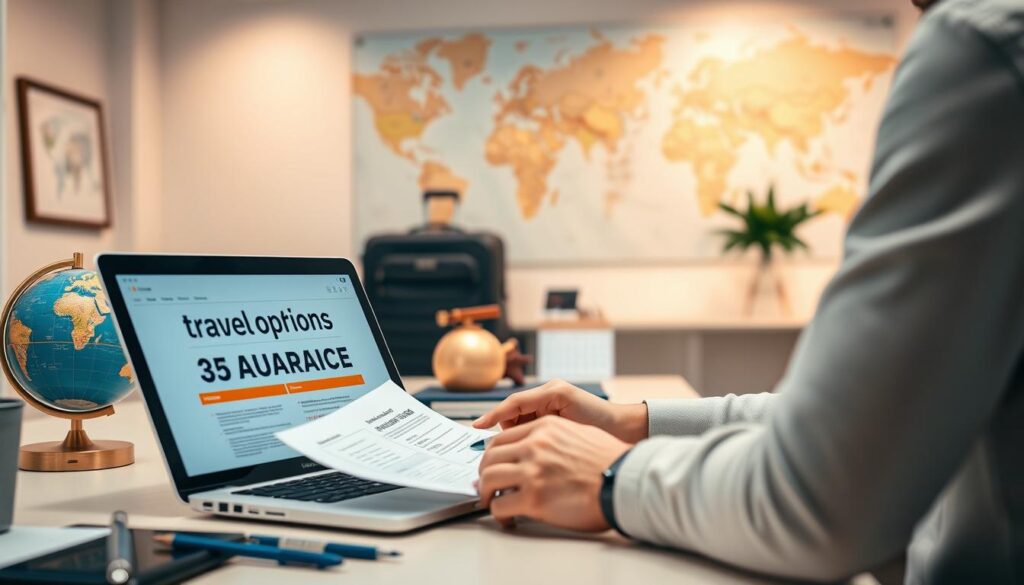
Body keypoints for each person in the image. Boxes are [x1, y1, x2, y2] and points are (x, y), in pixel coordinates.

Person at [473, 0, 1024, 582]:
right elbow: (856, 423)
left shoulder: (984, 45)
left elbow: (820, 503)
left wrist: (614, 478)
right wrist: (631, 421)